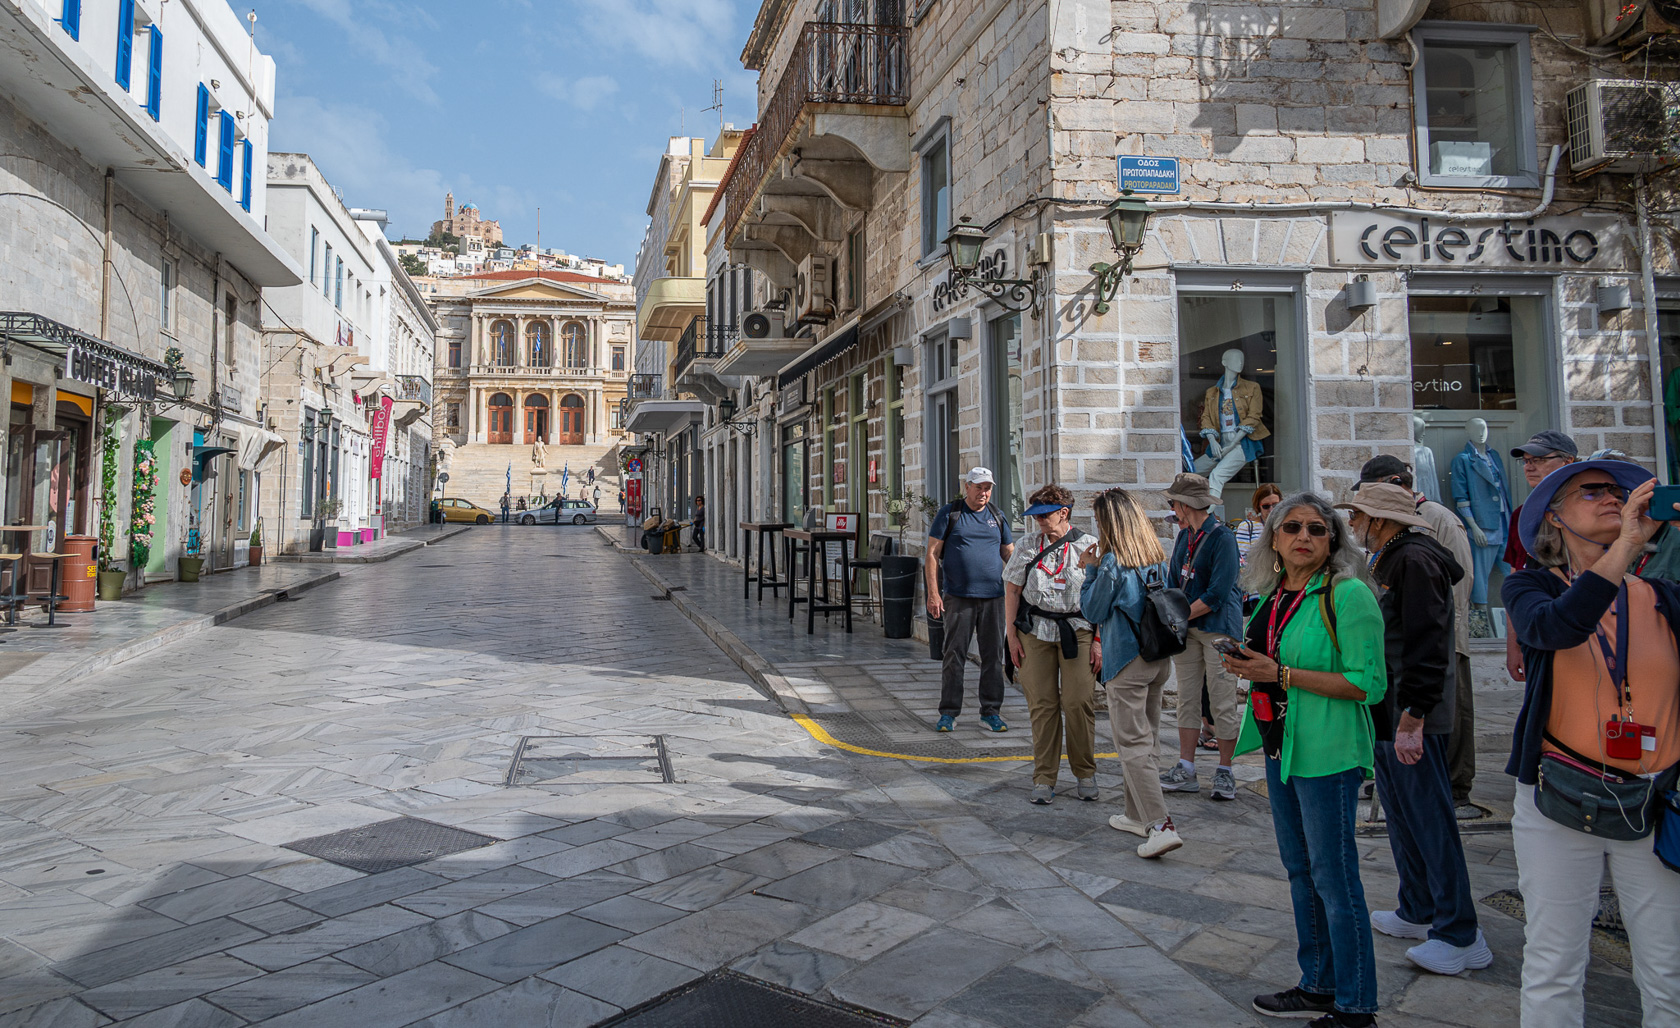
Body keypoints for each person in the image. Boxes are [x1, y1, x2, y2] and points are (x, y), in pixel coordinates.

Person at [1502, 460, 1680, 1026]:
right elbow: (1558, 628)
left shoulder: (1664, 597)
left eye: (1619, 492)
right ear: (1554, 517)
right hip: (1558, 798)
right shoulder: (1530, 586)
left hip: (1654, 803)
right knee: (1553, 963)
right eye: (1592, 492)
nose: (1613, 499)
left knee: (1669, 971)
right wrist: (1625, 545)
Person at [1225, 492, 1387, 1026]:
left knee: (1335, 880)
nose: (1304, 537)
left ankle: (1356, 1007)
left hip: (1329, 753)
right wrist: (1249, 665)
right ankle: (1318, 984)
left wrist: (1281, 675)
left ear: (1333, 540)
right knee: (1301, 871)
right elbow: (1271, 660)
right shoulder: (1274, 596)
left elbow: (1368, 685)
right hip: (1283, 747)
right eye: (1292, 527)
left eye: (1318, 529)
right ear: (1273, 537)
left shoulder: (1348, 594)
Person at [1337, 484, 1491, 976]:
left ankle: (1459, 932)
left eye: (1358, 516)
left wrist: (1415, 713)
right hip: (1391, 704)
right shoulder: (1394, 556)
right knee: (1402, 812)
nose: (1353, 524)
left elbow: (1428, 642)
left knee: (1429, 816)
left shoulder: (1415, 560)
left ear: (1380, 520)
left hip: (1412, 709)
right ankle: (1418, 907)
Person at [1358, 455, 1480, 817]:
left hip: (1438, 642)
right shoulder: (1391, 547)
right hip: (1405, 654)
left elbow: (1457, 583)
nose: (1353, 521)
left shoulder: (1433, 525)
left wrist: (1445, 636)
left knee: (1447, 718)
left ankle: (1455, 788)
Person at [1080, 487, 1183, 858]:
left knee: (1132, 744)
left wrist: (1090, 570)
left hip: (1126, 660)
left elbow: (1092, 611)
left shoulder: (1113, 563)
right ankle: (1135, 814)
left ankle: (1160, 825)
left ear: (1110, 523)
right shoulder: (1154, 556)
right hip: (1157, 658)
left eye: (1099, 520)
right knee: (1148, 739)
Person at [1005, 485, 1100, 804]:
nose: (1040, 522)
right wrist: (1011, 636)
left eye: (1045, 516)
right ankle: (1044, 777)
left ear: (1064, 513)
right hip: (1035, 630)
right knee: (1042, 705)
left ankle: (1085, 772)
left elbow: (1100, 595)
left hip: (1078, 629)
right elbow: (1012, 590)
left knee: (1078, 702)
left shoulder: (1089, 545)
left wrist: (1098, 640)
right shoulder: (1026, 545)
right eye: (1036, 516)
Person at [1161, 473, 1243, 800]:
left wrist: (1178, 615)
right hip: (1189, 629)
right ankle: (1186, 766)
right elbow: (1173, 580)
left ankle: (1225, 770)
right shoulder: (1185, 536)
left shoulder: (1223, 537)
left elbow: (1217, 594)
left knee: (1222, 699)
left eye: (1173, 503)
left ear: (1186, 504)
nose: (1172, 508)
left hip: (1218, 627)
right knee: (1187, 697)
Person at [926, 467, 1016, 733]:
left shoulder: (997, 516)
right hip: (958, 597)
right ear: (967, 487)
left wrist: (1023, 586)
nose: (983, 493)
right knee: (954, 654)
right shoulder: (950, 513)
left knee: (993, 656)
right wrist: (933, 593)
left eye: (988, 488)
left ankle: (991, 712)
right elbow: (932, 554)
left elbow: (1009, 554)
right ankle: (948, 712)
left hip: (993, 598)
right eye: (979, 487)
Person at [1503, 431, 1579, 684]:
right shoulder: (1521, 515)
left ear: (1568, 461)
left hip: (1582, 624)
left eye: (1539, 459)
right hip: (1536, 630)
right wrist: (1513, 645)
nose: (1529, 467)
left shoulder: (1587, 509)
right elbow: (1517, 577)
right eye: (1525, 461)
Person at [1234, 484, 1284, 566]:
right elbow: (1241, 560)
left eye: (1275, 505)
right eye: (1266, 506)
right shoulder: (1247, 527)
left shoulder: (1286, 525)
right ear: (1258, 506)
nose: (1271, 510)